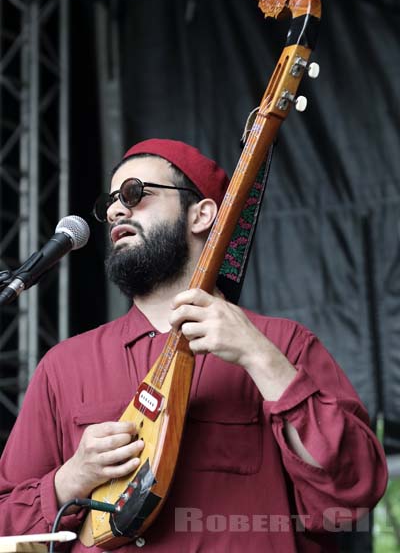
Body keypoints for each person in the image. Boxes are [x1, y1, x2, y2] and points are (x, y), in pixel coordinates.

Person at [0, 138, 388, 552]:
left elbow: (354, 489)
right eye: (110, 202)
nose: (116, 209)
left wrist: (260, 358)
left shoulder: (283, 344)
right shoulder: (64, 366)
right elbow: (7, 524)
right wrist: (69, 479)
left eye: (134, 193)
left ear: (202, 215)